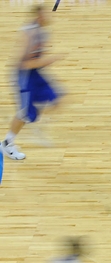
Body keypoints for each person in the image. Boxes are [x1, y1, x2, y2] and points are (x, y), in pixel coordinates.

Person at [0, 5, 63, 161]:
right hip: (24, 77)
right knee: (24, 114)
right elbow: (25, 63)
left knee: (56, 98)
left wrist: (44, 61)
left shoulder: (42, 31)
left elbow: (37, 60)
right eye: (46, 14)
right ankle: (7, 143)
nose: (49, 16)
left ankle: (32, 118)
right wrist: (49, 60)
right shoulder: (30, 33)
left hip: (35, 74)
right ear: (39, 16)